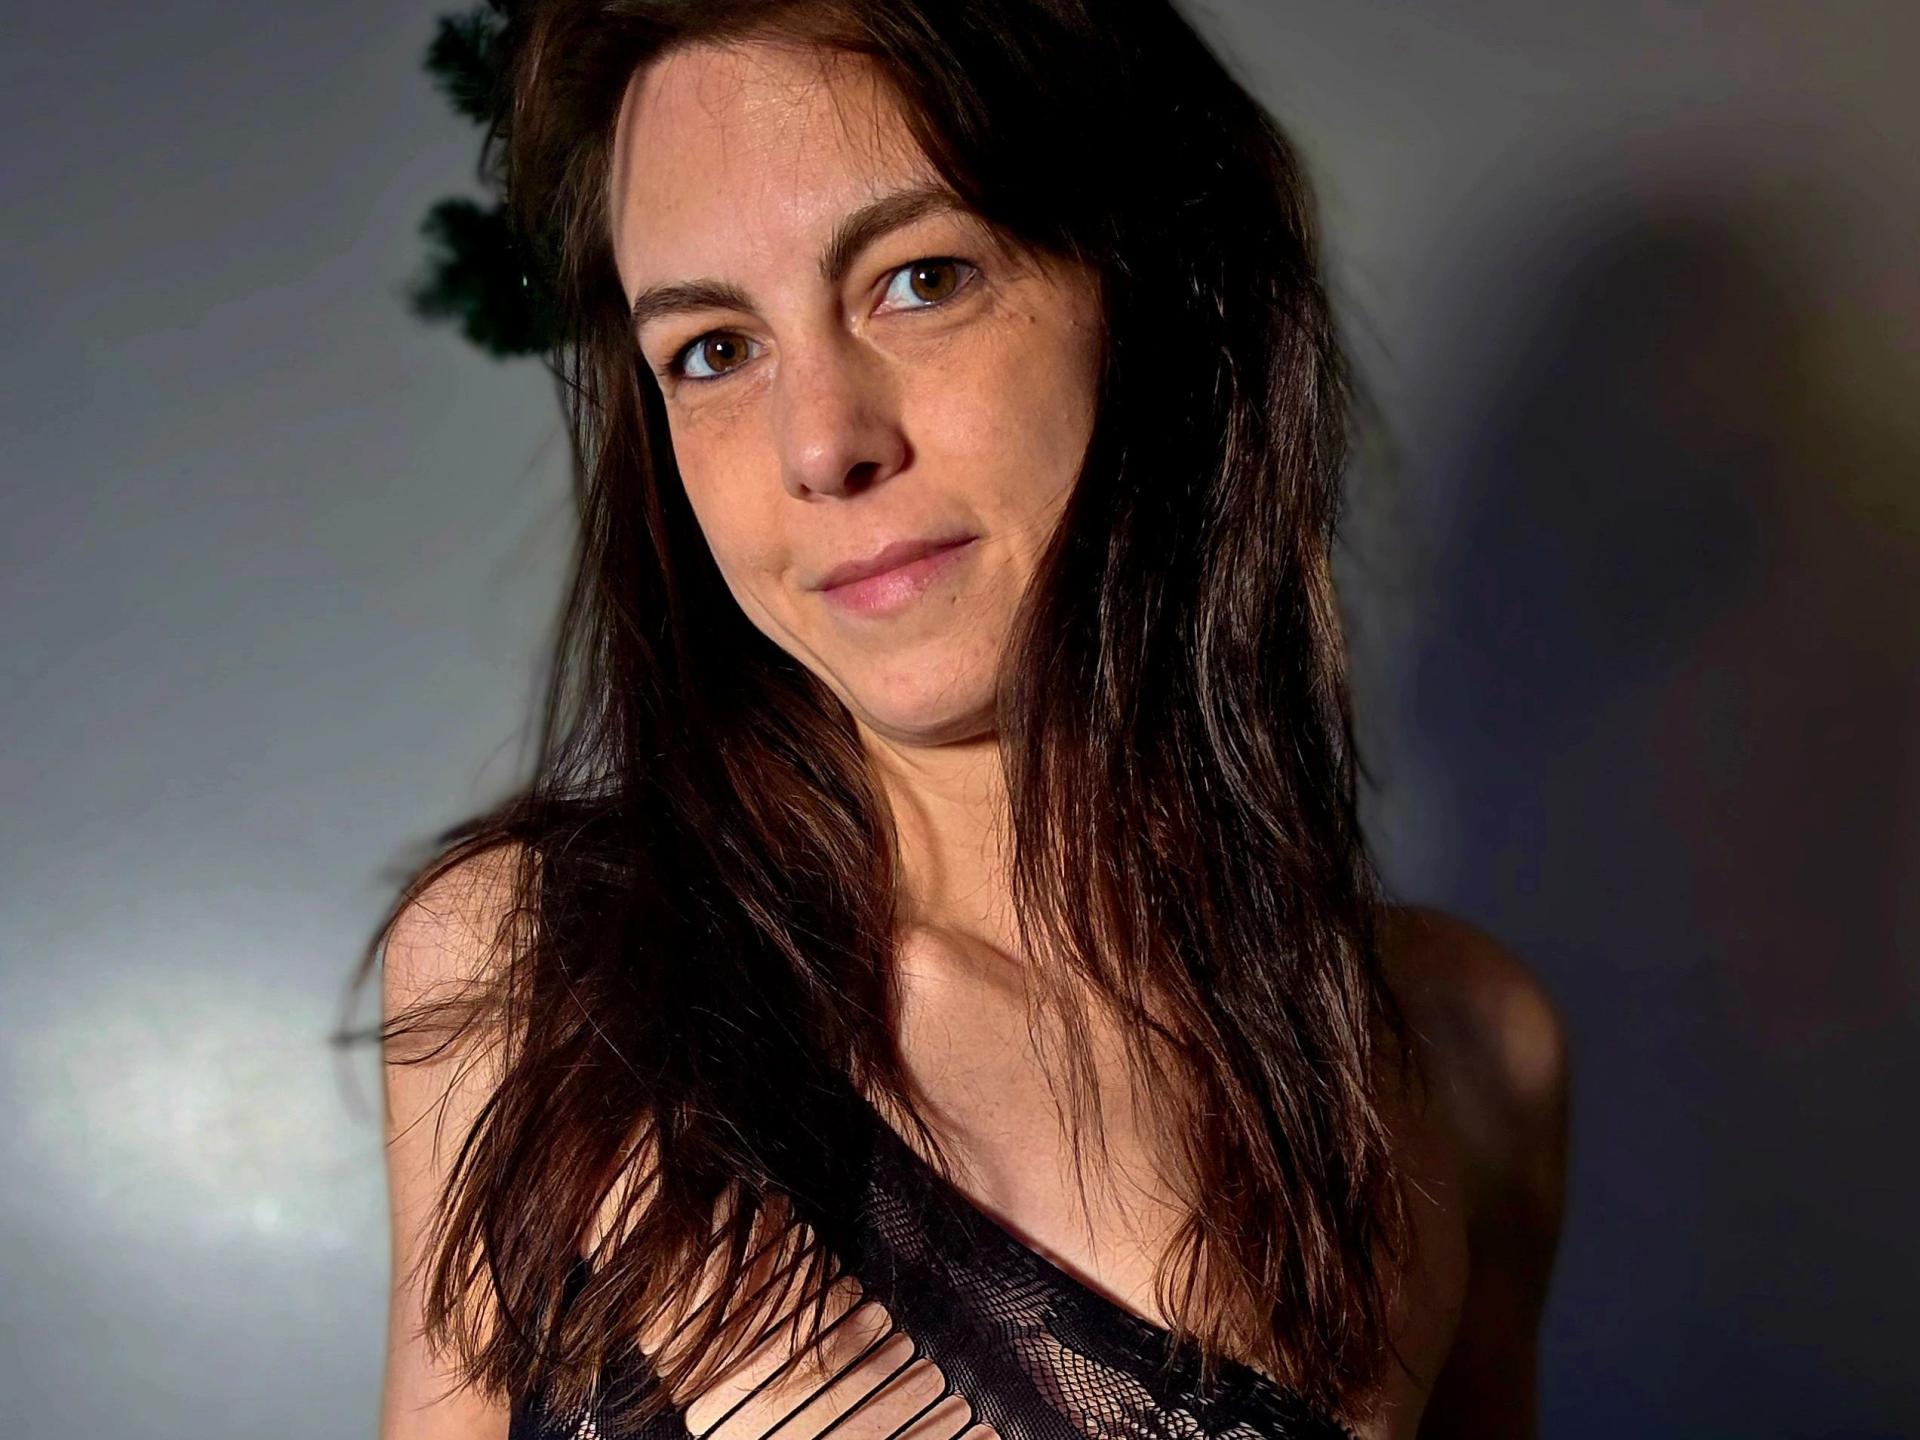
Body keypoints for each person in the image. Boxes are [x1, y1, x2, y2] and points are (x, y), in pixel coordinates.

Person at [365, 2, 1570, 1437]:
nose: (821, 444)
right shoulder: (535, 978)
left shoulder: (1458, 1054)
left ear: (1158, 288)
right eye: (713, 350)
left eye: (920, 279)